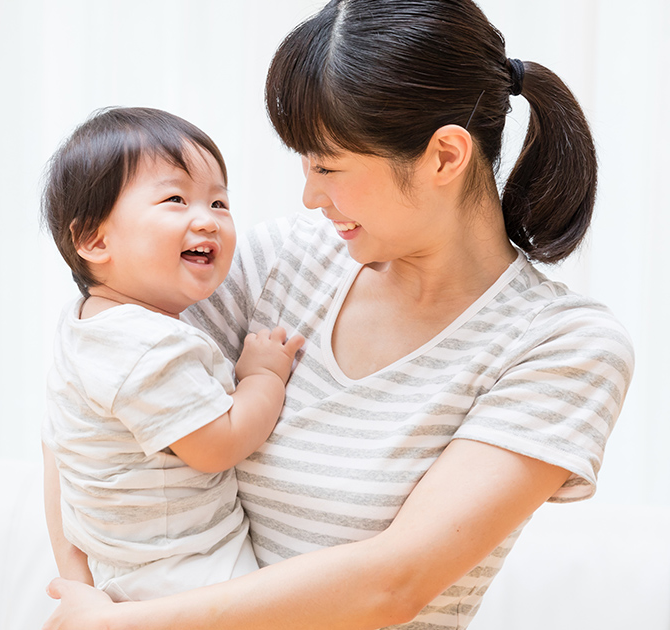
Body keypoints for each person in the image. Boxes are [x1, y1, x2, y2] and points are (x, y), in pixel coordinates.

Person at [41, 1, 635, 629]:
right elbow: (91, 399)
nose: (309, 195)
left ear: (445, 156)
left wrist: (120, 625)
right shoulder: (277, 264)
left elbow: (394, 584)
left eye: (328, 166)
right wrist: (84, 597)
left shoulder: (562, 347)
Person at [40, 106, 306, 603]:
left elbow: (52, 448)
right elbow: (218, 446)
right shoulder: (150, 347)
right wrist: (263, 377)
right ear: (94, 239)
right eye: (176, 199)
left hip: (125, 568)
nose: (207, 220)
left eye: (220, 203)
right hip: (187, 571)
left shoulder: (83, 324)